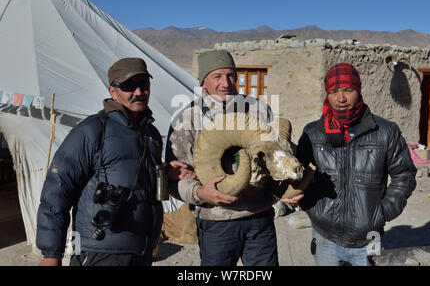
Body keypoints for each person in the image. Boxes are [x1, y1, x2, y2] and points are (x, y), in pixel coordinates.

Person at [36, 58, 192, 266]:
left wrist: (163, 171)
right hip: (100, 250)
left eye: (144, 85)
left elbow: (133, 178)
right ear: (113, 91)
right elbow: (57, 190)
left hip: (142, 249)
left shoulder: (150, 133)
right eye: (129, 86)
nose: (138, 92)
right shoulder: (91, 131)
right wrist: (51, 254)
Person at [166, 50, 301, 266]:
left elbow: (275, 158)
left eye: (230, 75)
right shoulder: (186, 120)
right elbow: (174, 179)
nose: (226, 83)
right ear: (204, 81)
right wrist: (200, 193)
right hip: (217, 222)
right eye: (217, 76)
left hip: (260, 218)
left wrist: (287, 188)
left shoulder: (259, 111)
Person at [295, 63, 417, 266]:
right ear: (327, 95)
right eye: (334, 92)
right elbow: (297, 173)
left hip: (369, 238)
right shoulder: (313, 133)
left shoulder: (385, 131)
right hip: (325, 237)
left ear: (358, 90)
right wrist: (310, 206)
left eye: (348, 91)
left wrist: (383, 212)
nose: (341, 98)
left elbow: (404, 174)